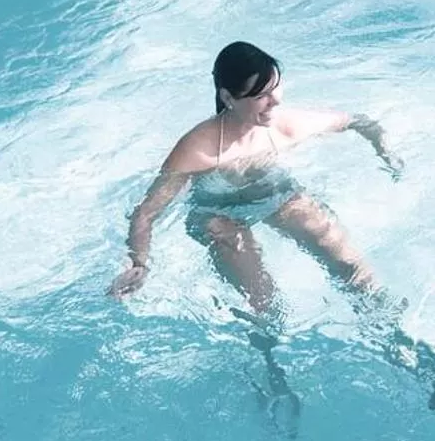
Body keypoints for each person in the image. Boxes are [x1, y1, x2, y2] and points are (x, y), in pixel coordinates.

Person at [109, 41, 401, 319]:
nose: (275, 101)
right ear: (228, 98)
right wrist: (139, 262)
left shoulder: (286, 126)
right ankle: (269, 346)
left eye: (275, 88)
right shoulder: (197, 150)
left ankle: (389, 324)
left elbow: (359, 121)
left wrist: (387, 154)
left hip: (274, 196)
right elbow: (146, 213)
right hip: (218, 213)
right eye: (261, 95)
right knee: (262, 300)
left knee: (349, 265)